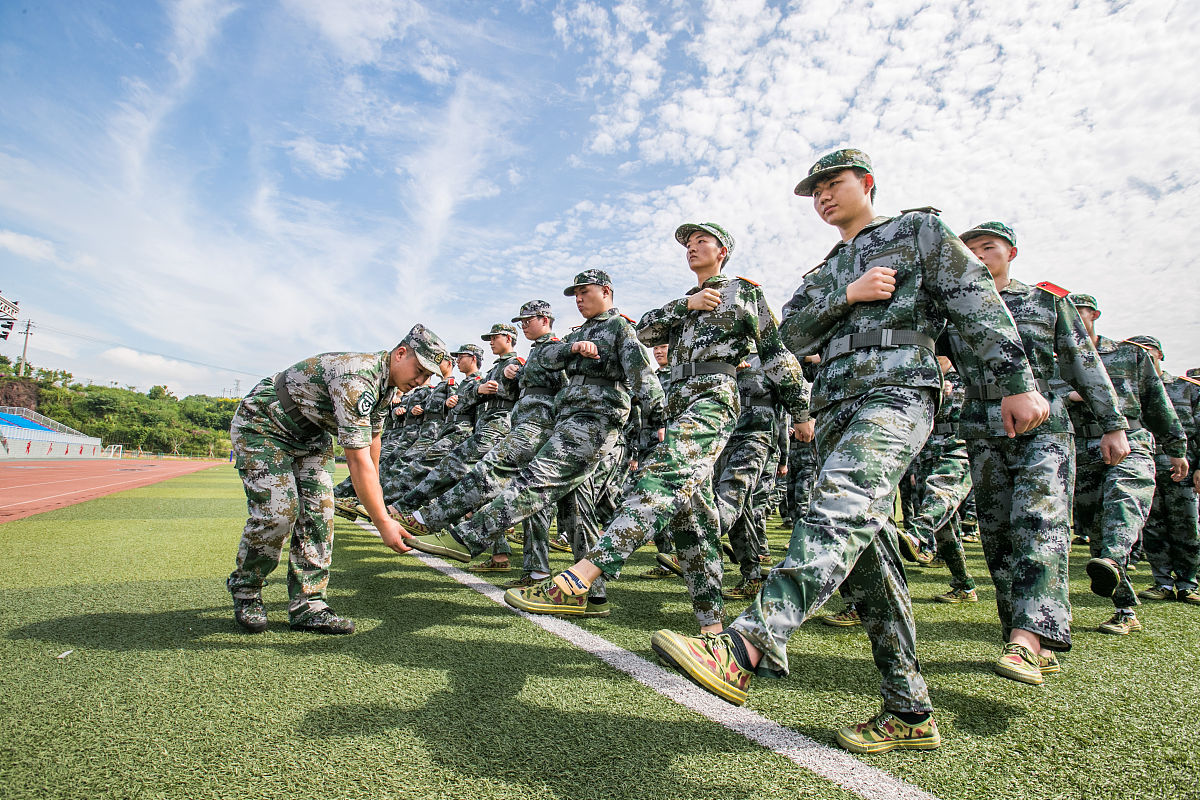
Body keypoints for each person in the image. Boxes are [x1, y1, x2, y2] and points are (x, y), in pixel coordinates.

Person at [648, 149, 1049, 754]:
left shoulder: (918, 231)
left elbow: (975, 300)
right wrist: (847, 295)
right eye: (815, 192)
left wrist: (1015, 380)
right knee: (867, 559)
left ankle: (747, 643)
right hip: (836, 402)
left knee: (839, 504)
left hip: (899, 388)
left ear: (867, 183)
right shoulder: (826, 270)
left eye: (832, 184)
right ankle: (908, 710)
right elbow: (788, 335)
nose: (823, 197)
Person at [502, 223, 809, 630]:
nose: (692, 248)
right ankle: (712, 628)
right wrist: (687, 305)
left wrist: (801, 412)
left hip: (715, 396)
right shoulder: (684, 303)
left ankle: (580, 578)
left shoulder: (744, 292)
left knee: (661, 478)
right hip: (679, 400)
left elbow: (776, 353)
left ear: (722, 252)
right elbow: (644, 330)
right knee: (693, 520)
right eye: (688, 244)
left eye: (702, 241)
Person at [407, 270, 665, 617]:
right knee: (576, 511)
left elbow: (643, 378)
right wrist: (567, 351)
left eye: (585, 291)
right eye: (575, 294)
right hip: (568, 420)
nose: (578, 298)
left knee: (535, 480)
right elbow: (550, 360)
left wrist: (658, 424)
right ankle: (593, 595)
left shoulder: (619, 328)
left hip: (595, 420)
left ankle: (468, 537)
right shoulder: (579, 334)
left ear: (606, 291)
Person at [940, 222, 1129, 681]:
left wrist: (1113, 425)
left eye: (988, 247)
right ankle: (1024, 638)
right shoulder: (952, 310)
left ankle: (1028, 638)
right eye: (969, 250)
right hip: (983, 428)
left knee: (1040, 521)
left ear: (1011, 253)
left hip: (1045, 425)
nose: (978, 256)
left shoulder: (1047, 302)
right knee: (999, 536)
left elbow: (1084, 364)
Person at [226, 324, 448, 634]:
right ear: (400, 354)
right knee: (278, 514)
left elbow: (373, 443)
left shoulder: (387, 386)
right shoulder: (357, 378)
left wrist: (376, 497)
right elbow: (357, 460)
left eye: (428, 376)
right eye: (420, 370)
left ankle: (309, 604)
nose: (421, 381)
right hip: (265, 426)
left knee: (320, 514)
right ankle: (247, 589)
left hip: (311, 435)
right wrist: (382, 522)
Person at [404, 300, 567, 588]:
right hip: (521, 427)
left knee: (493, 478)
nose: (523, 324)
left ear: (545, 319)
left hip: (536, 430)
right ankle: (533, 571)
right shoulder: (528, 357)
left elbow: (566, 388)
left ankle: (426, 517)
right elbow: (471, 402)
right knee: (526, 498)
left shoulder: (549, 352)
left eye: (527, 320)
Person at [1066, 294, 1187, 635]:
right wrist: (1069, 397)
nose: (1072, 318)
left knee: (1125, 498)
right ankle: (1124, 608)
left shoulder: (1128, 354)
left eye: (1079, 312)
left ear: (1095, 315)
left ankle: (1116, 569)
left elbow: (1157, 402)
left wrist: (1176, 448)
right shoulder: (1054, 360)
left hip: (1130, 439)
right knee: (1097, 531)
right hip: (1081, 447)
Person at [1122, 336, 1199, 605]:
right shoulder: (1129, 389)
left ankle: (1188, 583)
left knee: (1187, 525)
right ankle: (1162, 582)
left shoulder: (1185, 388)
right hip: (1143, 464)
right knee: (1152, 527)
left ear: (1160, 355)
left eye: (1149, 352)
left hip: (1183, 467)